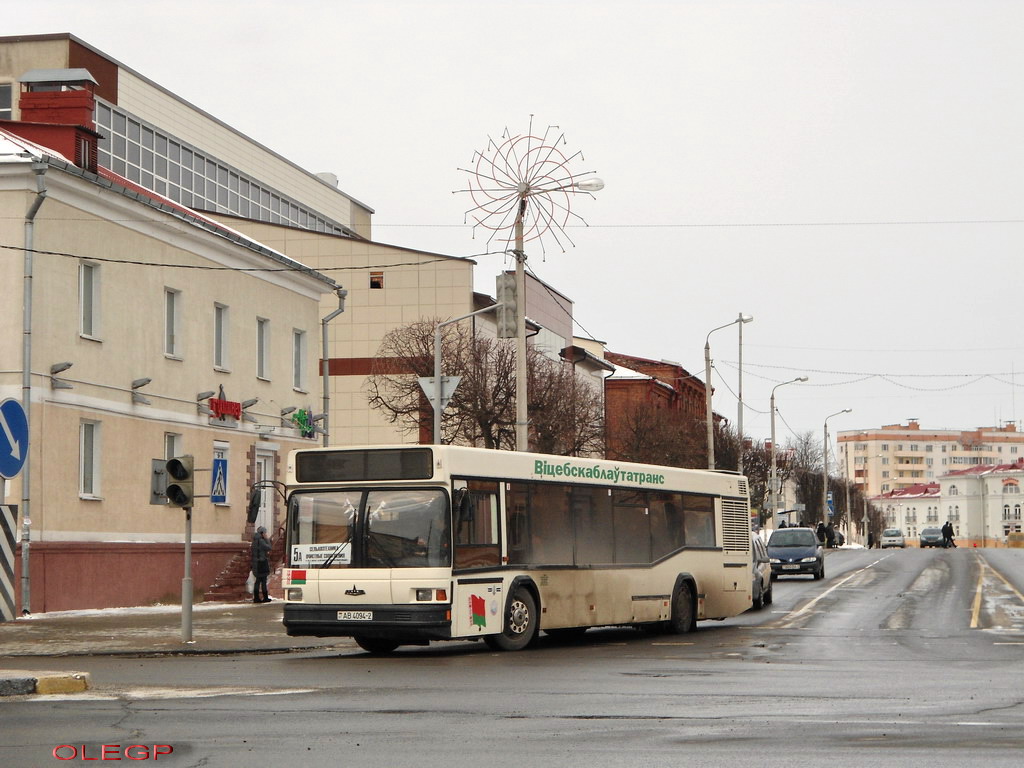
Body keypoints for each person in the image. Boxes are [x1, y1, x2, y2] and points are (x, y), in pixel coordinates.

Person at [251, 526, 272, 603]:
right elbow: (269, 547)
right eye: (265, 533)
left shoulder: (255, 541)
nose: (266, 534)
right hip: (262, 563)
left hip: (255, 563)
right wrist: (267, 539)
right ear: (262, 533)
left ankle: (256, 597)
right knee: (263, 580)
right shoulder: (262, 541)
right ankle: (265, 597)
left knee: (257, 581)